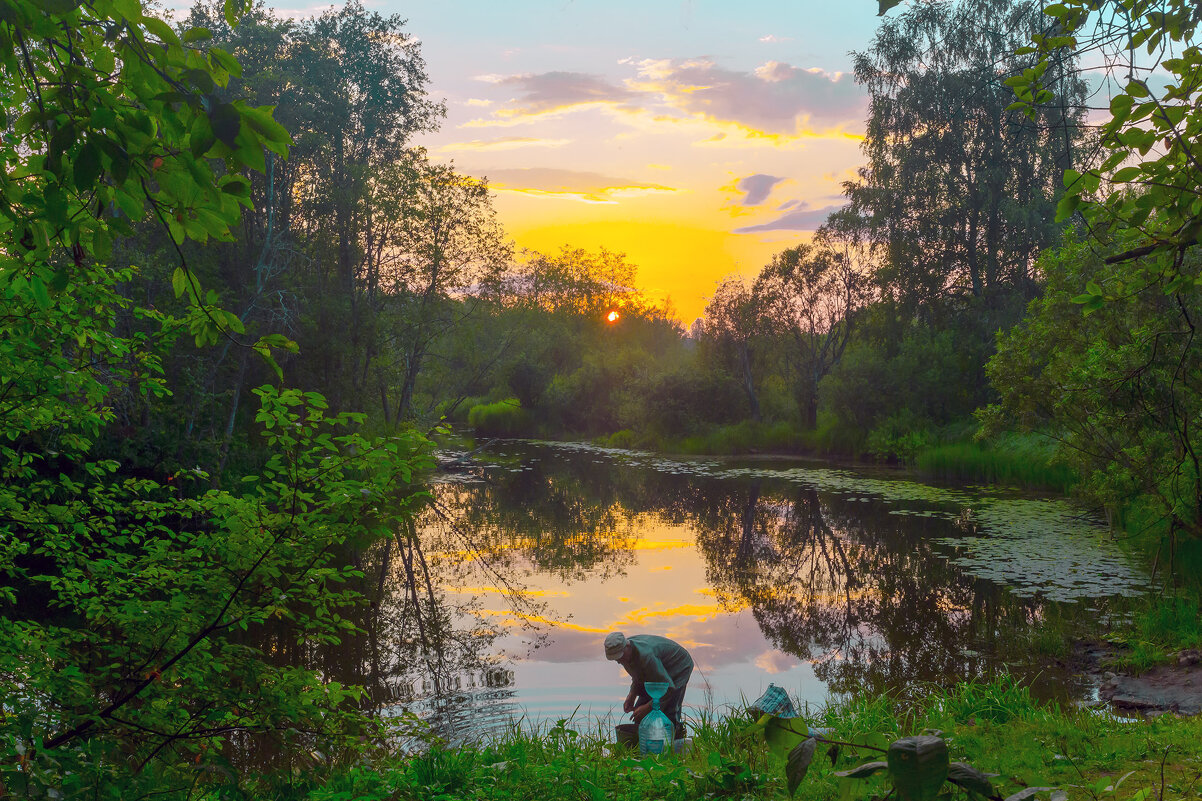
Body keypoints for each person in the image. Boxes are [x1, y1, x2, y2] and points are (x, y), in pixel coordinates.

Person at [604, 632, 692, 738]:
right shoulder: (627, 655)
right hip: (657, 667)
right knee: (639, 712)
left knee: (668, 709)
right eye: (615, 658)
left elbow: (668, 688)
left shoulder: (646, 656)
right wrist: (632, 694)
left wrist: (648, 707)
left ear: (627, 645)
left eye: (620, 657)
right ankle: (644, 743)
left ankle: (676, 740)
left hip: (679, 664)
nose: (619, 661)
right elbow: (638, 676)